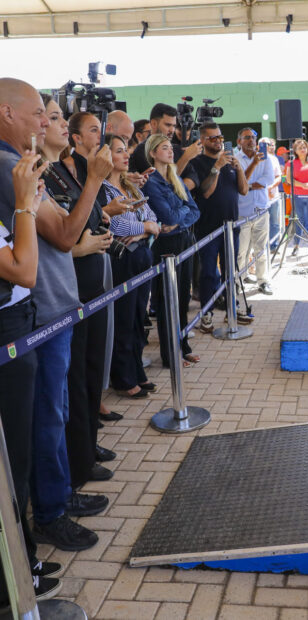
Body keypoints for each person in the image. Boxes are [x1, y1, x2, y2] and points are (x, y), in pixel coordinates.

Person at [0, 78, 111, 553]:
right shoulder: (9, 166)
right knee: (44, 418)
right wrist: (95, 180)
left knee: (54, 411)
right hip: (35, 313)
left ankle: (57, 498)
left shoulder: (21, 165)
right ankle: (47, 514)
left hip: (45, 307)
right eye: (39, 115)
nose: (46, 123)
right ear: (7, 113)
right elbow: (65, 237)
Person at [43, 99, 116, 499]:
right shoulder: (44, 173)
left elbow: (85, 217)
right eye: (51, 117)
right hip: (66, 289)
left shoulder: (68, 171)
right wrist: (80, 247)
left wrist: (99, 217)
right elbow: (65, 235)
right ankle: (76, 463)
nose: (54, 123)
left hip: (87, 284)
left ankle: (87, 447)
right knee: (69, 385)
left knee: (89, 371)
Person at [0, 148, 60, 601]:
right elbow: (25, 270)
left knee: (15, 462)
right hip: (6, 336)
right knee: (11, 465)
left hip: (16, 326)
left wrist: (30, 204)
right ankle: (14, 585)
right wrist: (24, 205)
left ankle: (22, 562)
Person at [101, 134, 160, 397]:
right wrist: (145, 227)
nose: (126, 155)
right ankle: (123, 378)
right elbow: (115, 225)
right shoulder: (103, 189)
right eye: (119, 151)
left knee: (138, 318)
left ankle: (137, 370)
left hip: (142, 256)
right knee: (124, 319)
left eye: (126, 150)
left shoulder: (130, 186)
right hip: (122, 260)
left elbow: (154, 219)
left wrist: (143, 230)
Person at [142, 134, 200, 367]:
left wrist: (179, 220)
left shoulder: (174, 176)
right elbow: (168, 217)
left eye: (170, 148)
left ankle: (183, 346)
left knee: (183, 297)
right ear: (153, 153)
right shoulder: (151, 182)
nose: (170, 151)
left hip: (184, 240)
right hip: (166, 246)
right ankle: (170, 354)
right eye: (164, 148)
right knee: (168, 300)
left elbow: (194, 210)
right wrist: (179, 217)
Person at [192, 122, 249, 334]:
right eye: (213, 138)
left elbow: (244, 190)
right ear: (203, 140)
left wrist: (239, 169)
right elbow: (206, 192)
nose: (218, 141)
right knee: (208, 272)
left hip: (231, 226)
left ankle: (231, 308)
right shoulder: (198, 163)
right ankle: (206, 313)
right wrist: (216, 167)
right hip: (208, 228)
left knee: (230, 271)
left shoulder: (230, 161)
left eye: (220, 137)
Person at [235, 128, 275, 295]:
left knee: (261, 249)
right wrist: (252, 172)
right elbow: (238, 183)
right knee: (241, 251)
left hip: (261, 210)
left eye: (253, 137)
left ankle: (263, 281)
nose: (251, 140)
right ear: (239, 141)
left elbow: (269, 179)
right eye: (247, 137)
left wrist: (247, 186)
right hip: (242, 212)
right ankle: (238, 281)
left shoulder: (265, 158)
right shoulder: (235, 159)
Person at [129, 102, 200, 191]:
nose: (172, 130)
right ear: (154, 124)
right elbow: (159, 182)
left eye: (174, 126)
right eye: (168, 125)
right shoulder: (143, 150)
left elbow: (194, 178)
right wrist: (185, 158)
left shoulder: (176, 149)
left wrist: (176, 193)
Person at [259, 137, 283, 251]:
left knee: (274, 222)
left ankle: (274, 246)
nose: (266, 146)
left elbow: (279, 177)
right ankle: (262, 248)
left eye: (268, 144)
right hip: (259, 198)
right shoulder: (254, 159)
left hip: (273, 197)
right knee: (260, 224)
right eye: (263, 144)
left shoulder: (274, 159)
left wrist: (270, 187)